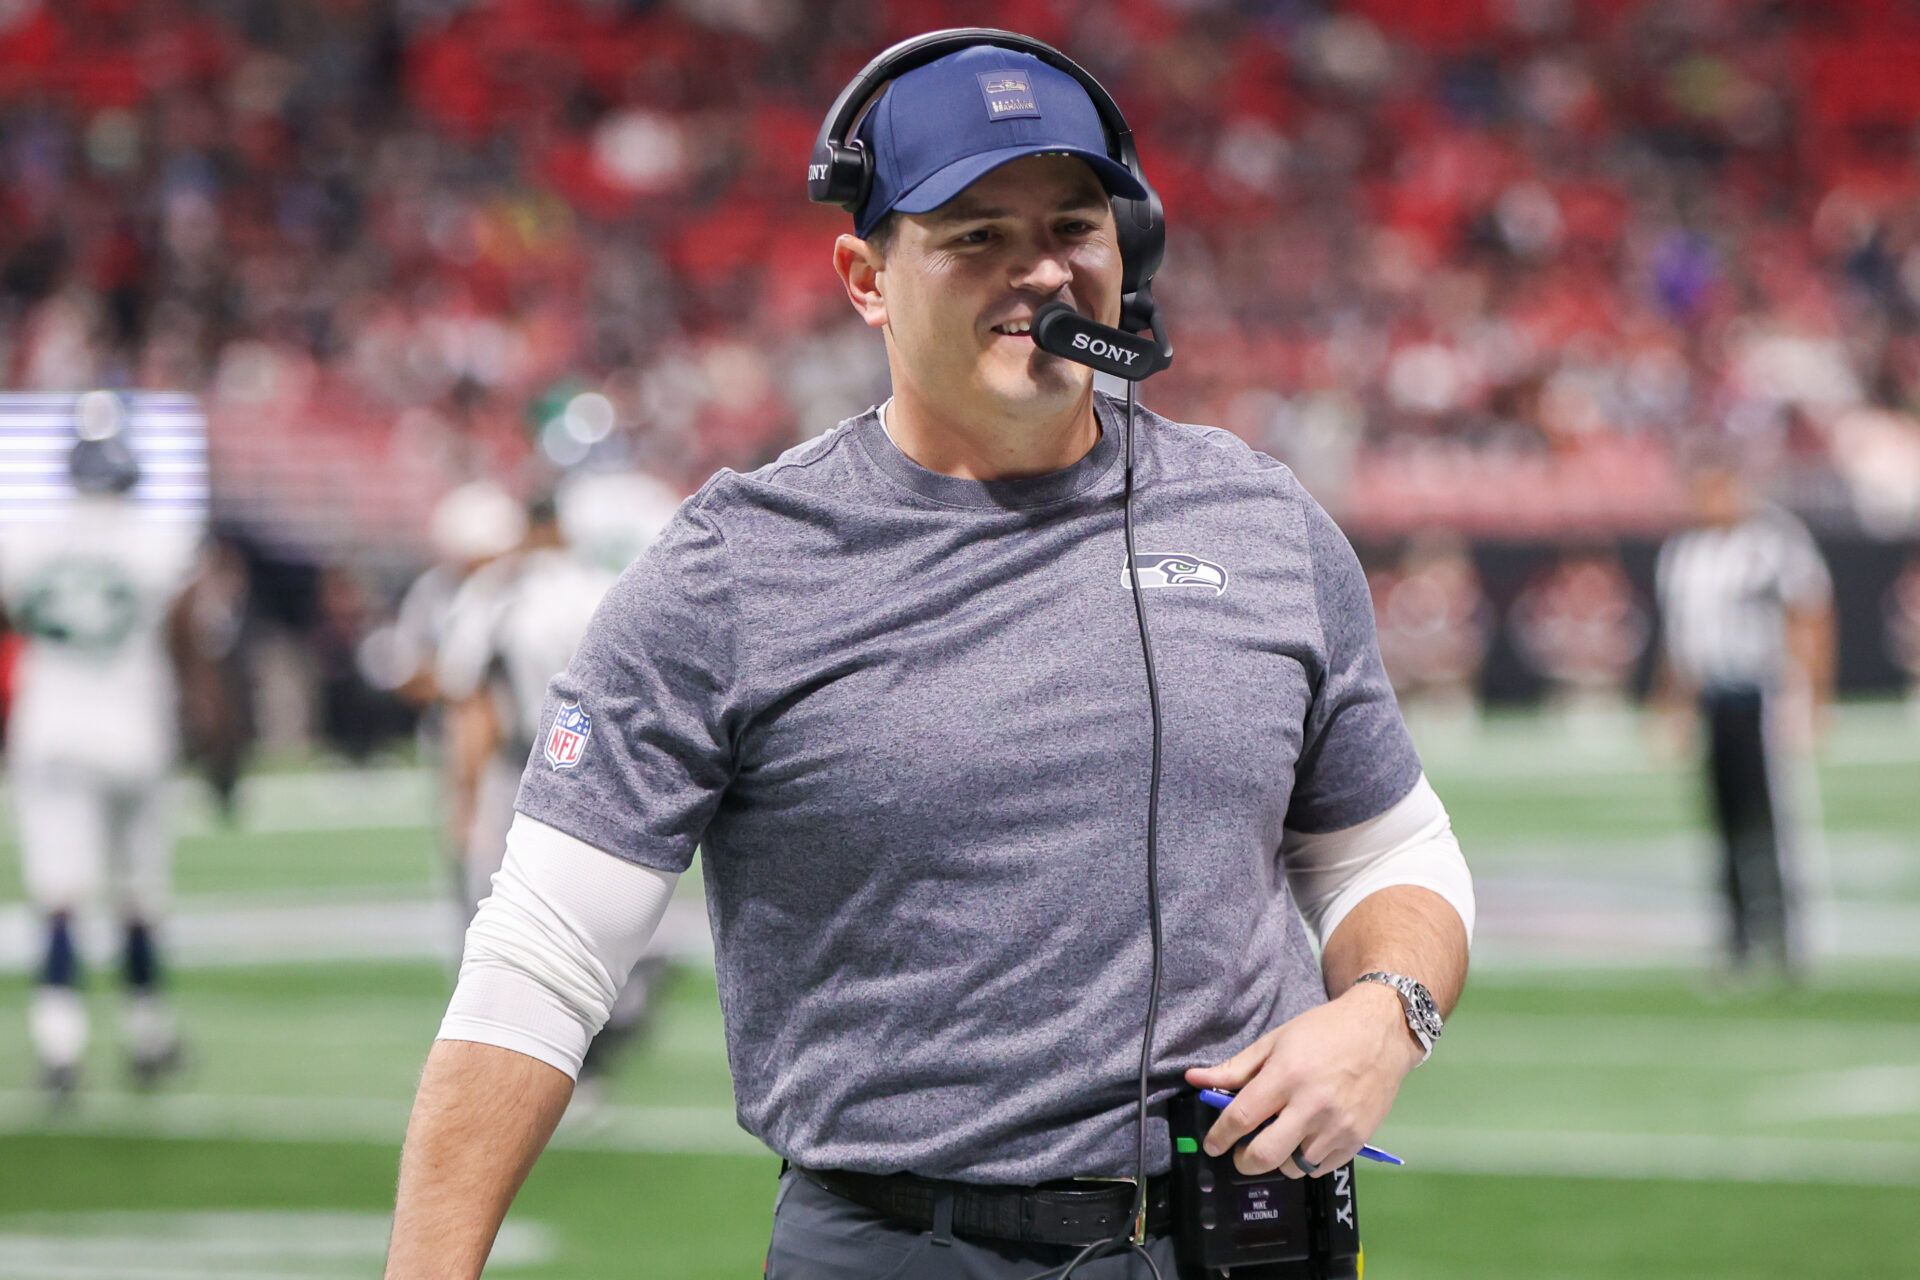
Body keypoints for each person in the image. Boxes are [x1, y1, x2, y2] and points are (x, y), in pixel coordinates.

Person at [387, 32, 1474, 1280]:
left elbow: (1386, 848)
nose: (1043, 274)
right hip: (904, 1248)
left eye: (1075, 226)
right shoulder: (737, 569)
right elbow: (543, 956)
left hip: (1245, 1244)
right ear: (866, 275)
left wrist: (1387, 1015)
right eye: (974, 237)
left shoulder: (1260, 520)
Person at [433, 484, 677, 1097]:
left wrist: (461, 799)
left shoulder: (496, 596)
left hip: (524, 770)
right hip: (605, 762)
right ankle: (633, 981)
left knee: (509, 926)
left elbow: (475, 706)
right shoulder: (603, 585)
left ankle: (555, 1061)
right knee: (599, 902)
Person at [0, 396, 201, 1100]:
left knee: (58, 897)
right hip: (134, 730)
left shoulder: (23, 537)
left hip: (49, 731)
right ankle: (147, 1032)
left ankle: (60, 1043)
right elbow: (188, 634)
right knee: (140, 894)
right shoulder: (161, 538)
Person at [1654, 457, 1835, 979]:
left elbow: (1811, 613)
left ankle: (1791, 933)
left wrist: (1813, 695)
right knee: (1724, 818)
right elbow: (1680, 639)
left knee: (1777, 820)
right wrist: (1673, 703)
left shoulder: (1773, 541)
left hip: (1763, 692)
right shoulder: (1683, 552)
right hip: (1714, 695)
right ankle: (1736, 934)